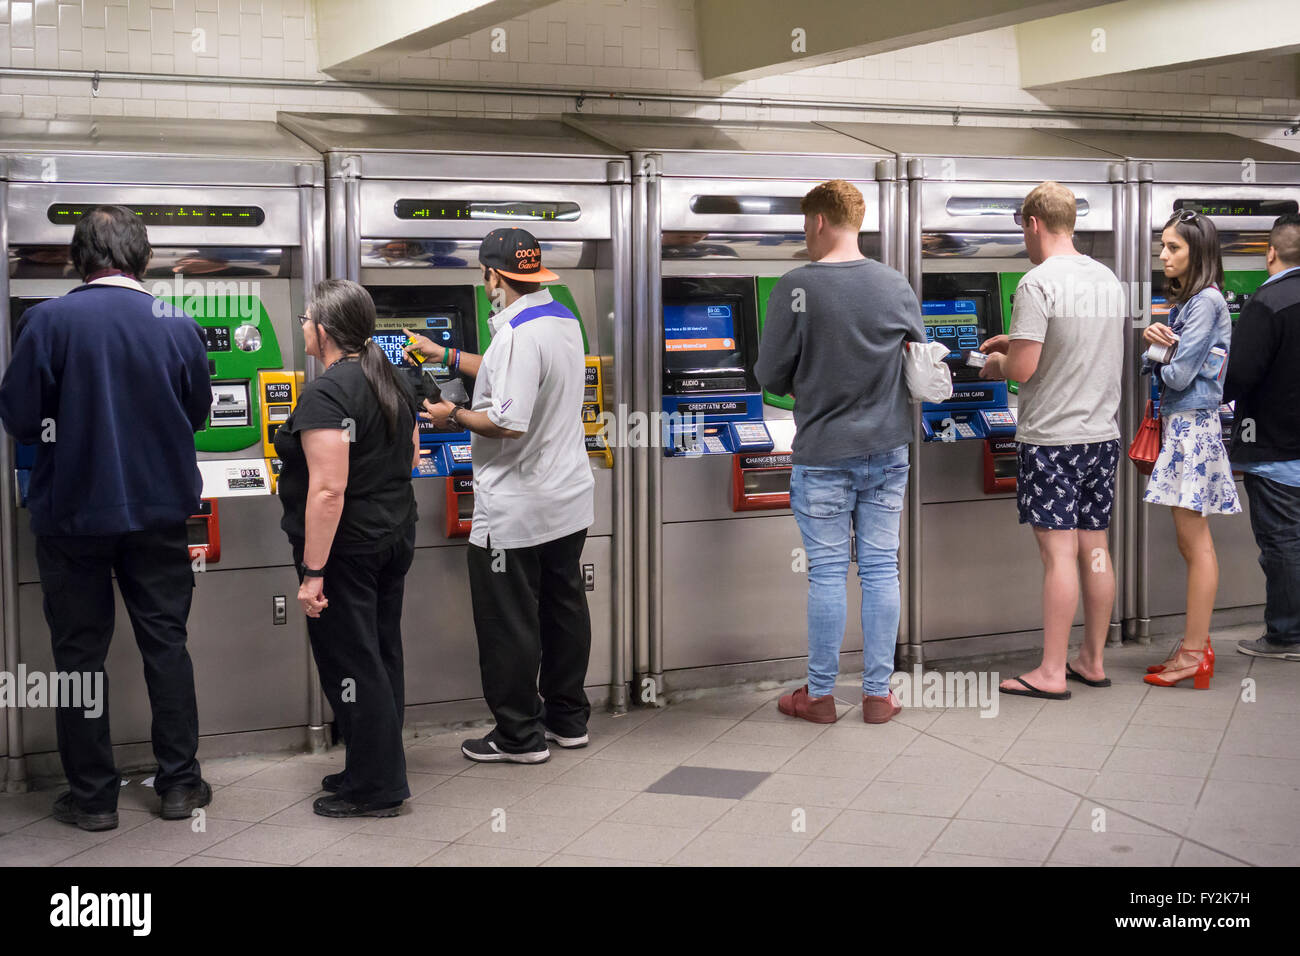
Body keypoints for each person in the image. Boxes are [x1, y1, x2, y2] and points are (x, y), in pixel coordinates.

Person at [0, 205, 212, 831]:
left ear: (78, 258)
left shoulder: (47, 321)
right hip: (159, 514)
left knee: (78, 660)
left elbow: (18, 416)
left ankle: (93, 799)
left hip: (72, 518)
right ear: (143, 258)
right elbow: (197, 410)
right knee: (167, 647)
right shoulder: (176, 322)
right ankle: (178, 787)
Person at [411, 228, 594, 763]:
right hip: (567, 498)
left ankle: (518, 736)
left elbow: (506, 422)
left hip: (516, 507)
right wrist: (445, 354)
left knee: (509, 620)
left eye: (484, 274)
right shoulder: (559, 317)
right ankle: (568, 719)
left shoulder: (516, 334)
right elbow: (512, 372)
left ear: (493, 275)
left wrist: (452, 415)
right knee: (563, 608)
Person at [755, 179, 923, 725]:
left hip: (824, 451)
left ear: (820, 222)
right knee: (879, 568)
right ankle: (878, 695)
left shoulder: (795, 287)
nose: (805, 235)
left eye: (806, 225)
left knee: (827, 572)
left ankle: (820, 696)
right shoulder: (894, 283)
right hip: (888, 448)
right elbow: (916, 359)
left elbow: (769, 374)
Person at [274, 279, 420, 816]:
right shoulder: (393, 376)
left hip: (346, 551)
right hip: (393, 534)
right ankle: (371, 764)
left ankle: (377, 787)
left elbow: (328, 489)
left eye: (306, 319)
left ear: (325, 330)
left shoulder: (325, 392)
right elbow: (409, 453)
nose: (304, 327)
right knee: (381, 654)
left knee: (353, 663)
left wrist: (314, 572)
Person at [980, 181, 1125, 701]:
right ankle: (1093, 659)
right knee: (1096, 549)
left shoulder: (1037, 283)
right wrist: (1018, 343)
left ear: (1033, 224)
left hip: (1052, 440)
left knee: (1058, 555)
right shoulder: (1108, 279)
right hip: (1101, 435)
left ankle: (1050, 671)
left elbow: (1023, 368)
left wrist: (995, 360)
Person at [1139, 210, 1239, 689]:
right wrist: (1155, 345)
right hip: (1190, 429)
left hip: (1192, 430)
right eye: (1163, 246)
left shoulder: (1204, 304)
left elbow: (1174, 374)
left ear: (1197, 251)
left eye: (1173, 247)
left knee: (1195, 544)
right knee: (1190, 542)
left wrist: (1160, 351)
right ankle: (1193, 646)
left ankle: (1195, 652)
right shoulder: (1195, 302)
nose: (1164, 255)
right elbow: (1154, 360)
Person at [1225, 214, 1300, 662]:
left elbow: (1237, 377)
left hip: (1277, 449)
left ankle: (1287, 635)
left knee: (1283, 543)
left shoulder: (1268, 303)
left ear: (1270, 252)